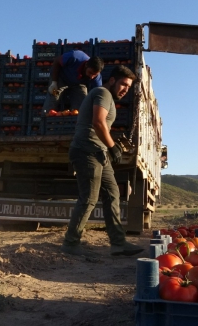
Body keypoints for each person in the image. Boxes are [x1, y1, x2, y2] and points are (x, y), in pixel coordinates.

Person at [61, 65, 144, 257]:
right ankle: (70, 243)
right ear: (112, 80)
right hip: (87, 150)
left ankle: (118, 243)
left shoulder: (107, 98)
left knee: (113, 193)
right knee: (89, 198)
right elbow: (98, 122)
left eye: (129, 87)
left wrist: (108, 146)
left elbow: (102, 124)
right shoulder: (102, 93)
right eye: (123, 84)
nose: (125, 89)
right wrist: (112, 146)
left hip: (98, 152)